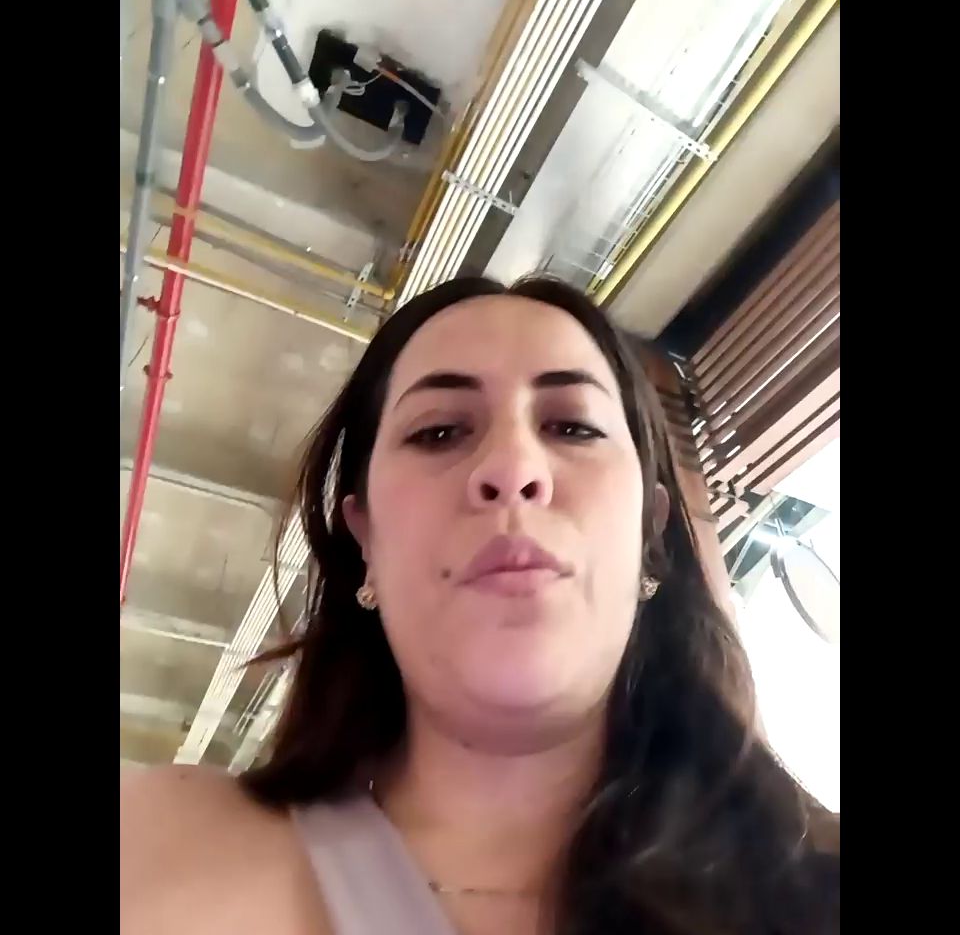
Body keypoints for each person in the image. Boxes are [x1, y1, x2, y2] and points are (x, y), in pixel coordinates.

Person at [121, 276, 839, 935]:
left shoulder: (815, 883)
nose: (513, 468)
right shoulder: (153, 846)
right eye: (438, 432)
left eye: (573, 427)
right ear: (366, 540)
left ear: (651, 535)